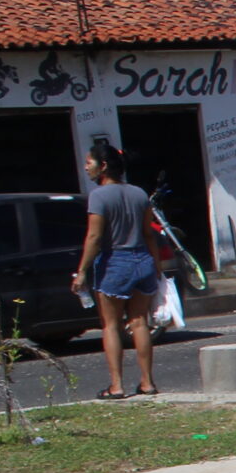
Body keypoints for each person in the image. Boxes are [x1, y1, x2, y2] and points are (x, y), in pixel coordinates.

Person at [71, 141, 160, 399]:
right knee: (140, 322)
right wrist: (156, 266)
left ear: (104, 166)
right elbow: (149, 234)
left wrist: (82, 271)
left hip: (114, 262)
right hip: (142, 260)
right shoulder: (139, 193)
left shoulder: (98, 196)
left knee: (110, 326)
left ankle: (117, 386)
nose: (86, 168)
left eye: (89, 163)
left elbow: (95, 237)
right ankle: (147, 382)